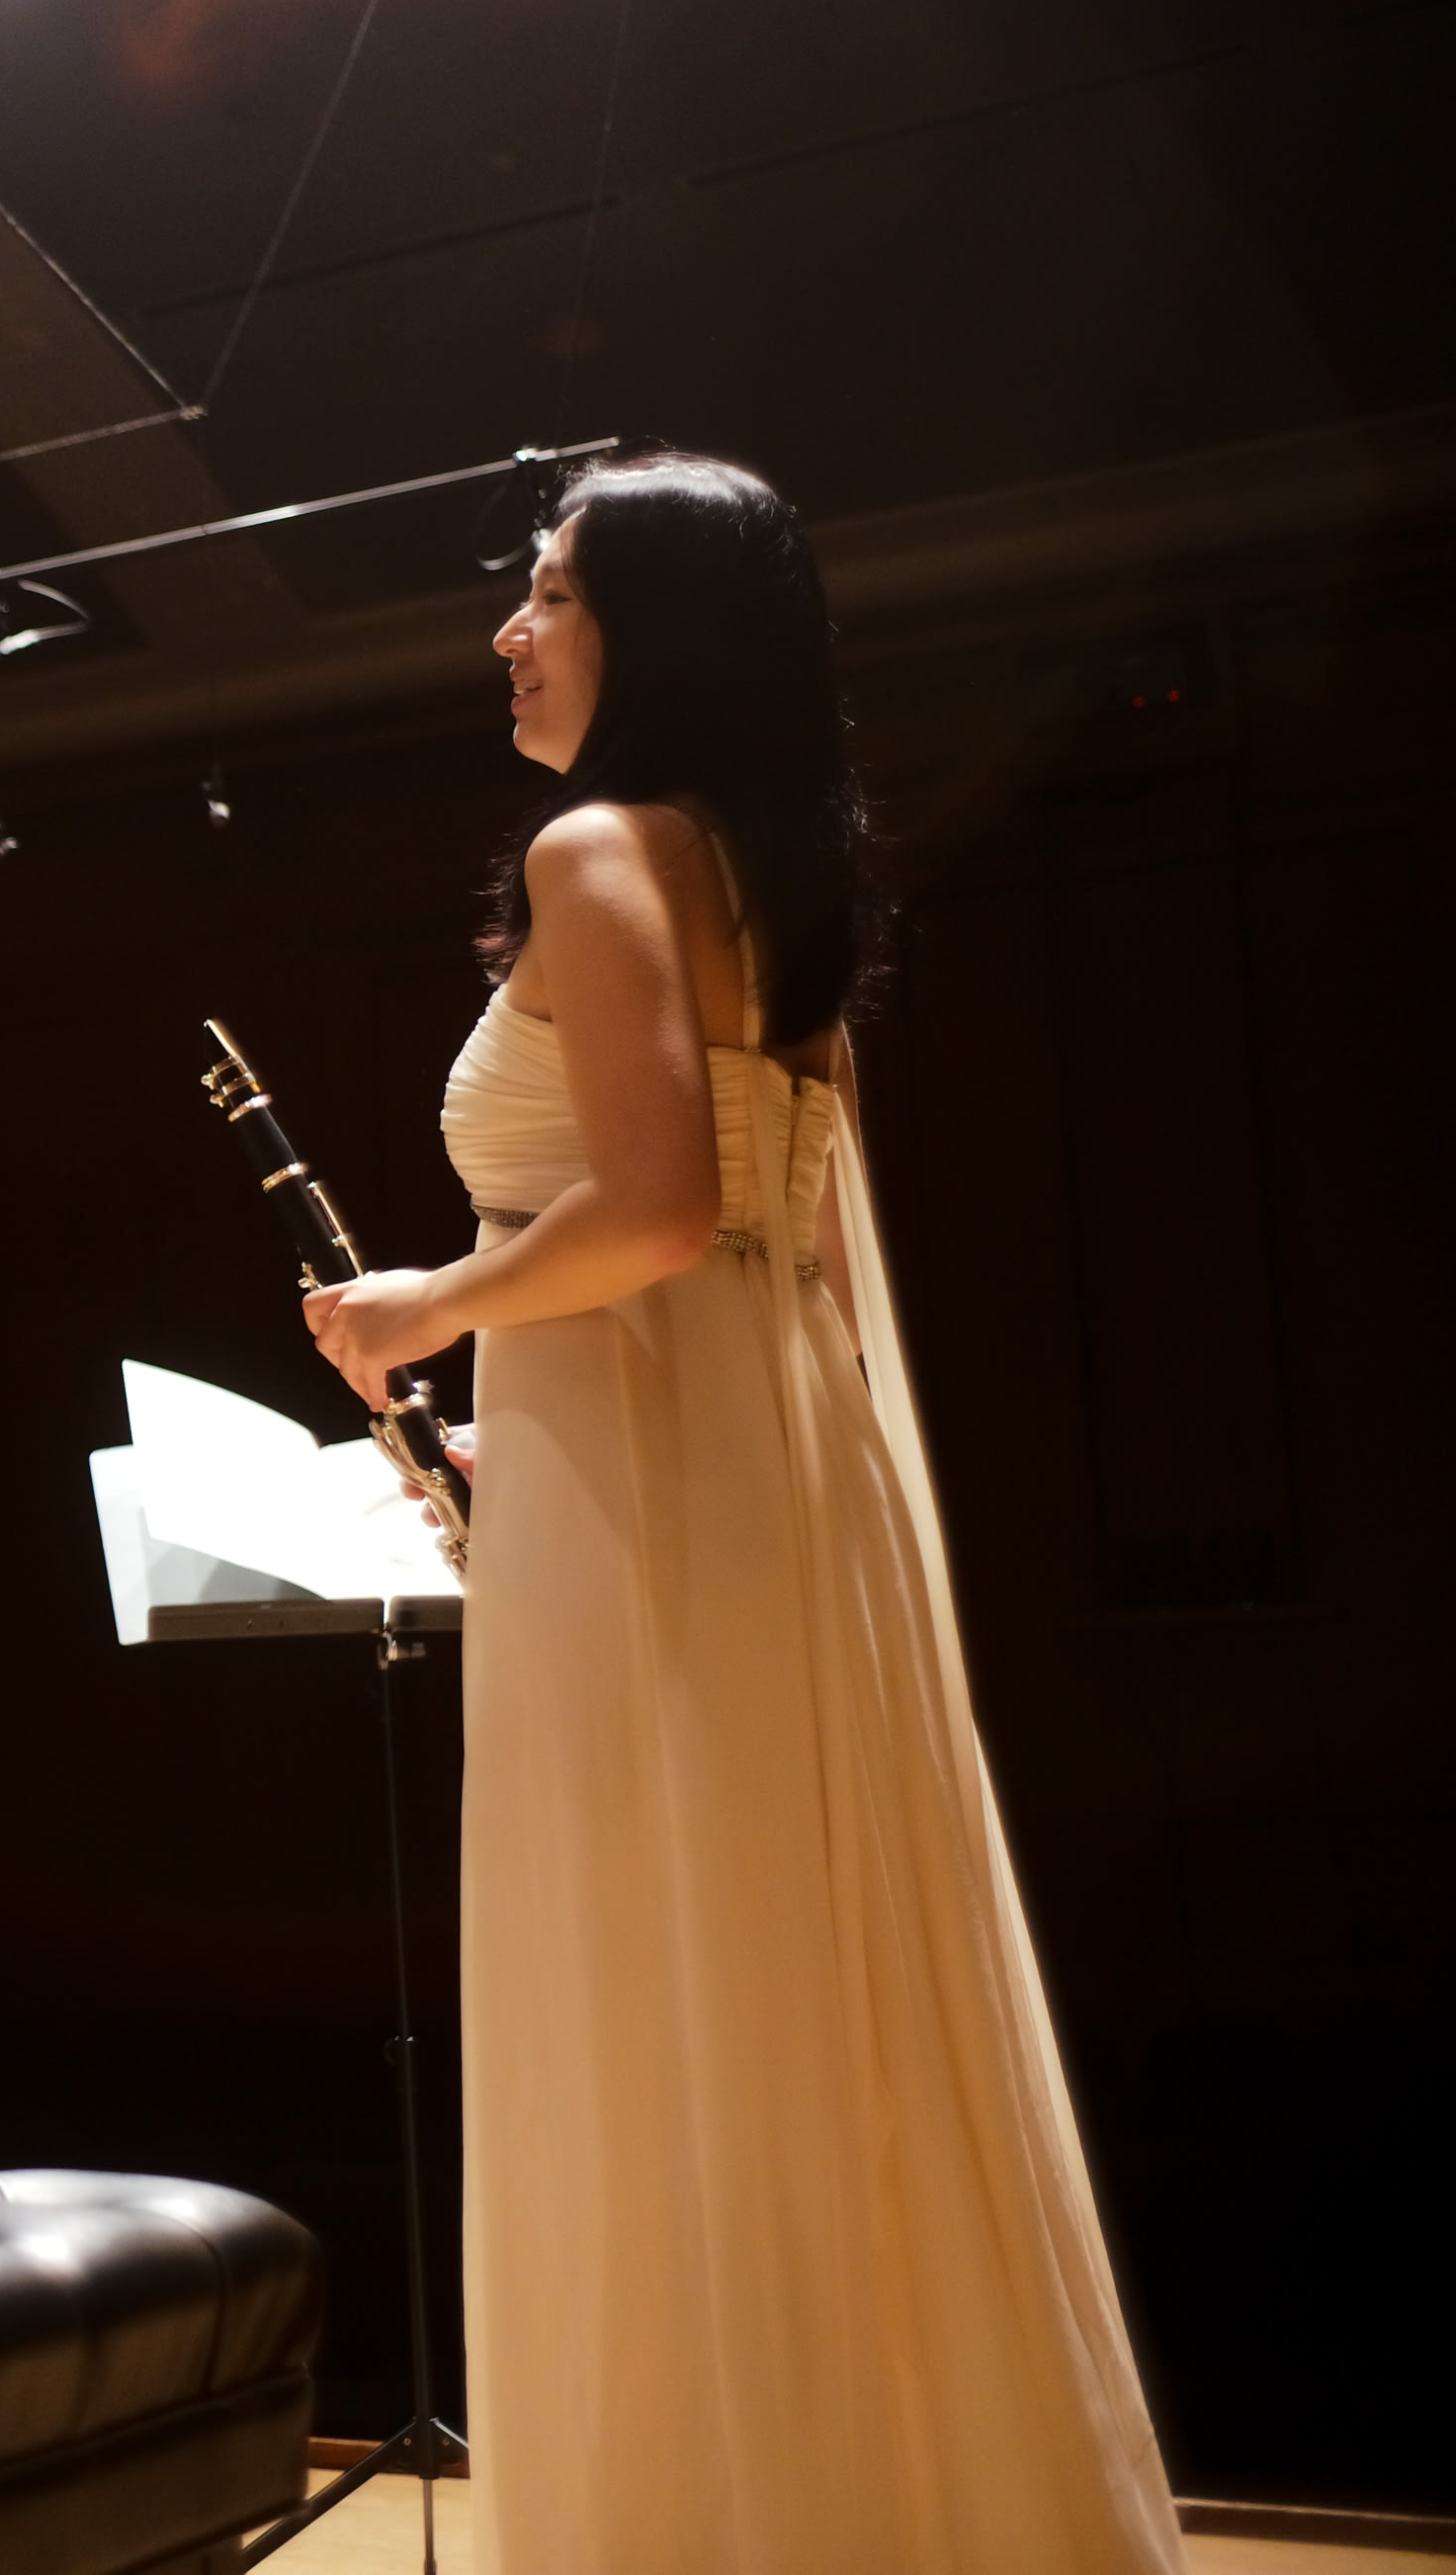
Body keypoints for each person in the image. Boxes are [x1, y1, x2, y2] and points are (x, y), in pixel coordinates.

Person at [298, 451, 1185, 2571]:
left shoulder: (595, 841)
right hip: (762, 1476)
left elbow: (661, 1202)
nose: (506, 632)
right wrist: (560, 1406)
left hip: (663, 1514)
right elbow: (774, 1230)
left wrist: (426, 1303)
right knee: (786, 1987)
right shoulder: (760, 872)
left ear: (646, 629)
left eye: (543, 593)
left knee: (654, 1999)